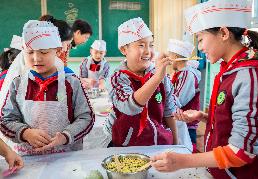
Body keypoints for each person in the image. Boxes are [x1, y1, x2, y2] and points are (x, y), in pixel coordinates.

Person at [151, 0, 258, 178]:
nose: (200, 47)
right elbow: (234, 121)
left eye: (200, 39)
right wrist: (205, 117)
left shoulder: (251, 77)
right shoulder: (229, 70)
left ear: (223, 33)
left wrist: (181, 161)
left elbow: (241, 152)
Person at [0, 20, 94, 156]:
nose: (36, 58)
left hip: (66, 159)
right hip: (28, 161)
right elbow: (5, 120)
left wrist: (66, 136)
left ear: (57, 50)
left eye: (43, 52)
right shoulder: (17, 85)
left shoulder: (72, 83)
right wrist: (25, 133)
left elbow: (86, 117)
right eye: (30, 52)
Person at [104, 17, 178, 147]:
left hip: (159, 144)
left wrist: (175, 144)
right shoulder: (118, 78)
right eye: (141, 45)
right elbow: (130, 107)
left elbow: (169, 111)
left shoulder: (160, 75)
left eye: (151, 45)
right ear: (124, 50)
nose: (148, 51)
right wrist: (156, 79)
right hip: (128, 147)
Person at [168, 39, 201, 151]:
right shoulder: (179, 74)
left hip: (186, 125)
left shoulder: (187, 75)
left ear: (176, 57)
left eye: (170, 56)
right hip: (181, 122)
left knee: (187, 151)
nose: (169, 60)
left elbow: (178, 100)